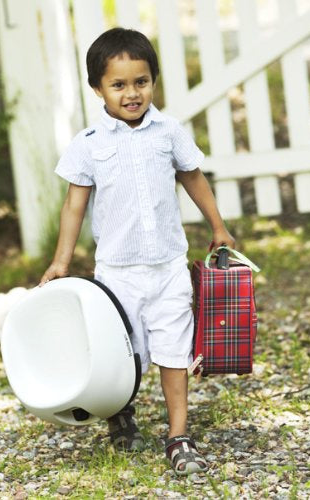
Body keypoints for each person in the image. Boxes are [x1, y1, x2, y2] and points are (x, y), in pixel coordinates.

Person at [39, 27, 235, 475]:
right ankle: (120, 413)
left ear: (153, 81)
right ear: (97, 89)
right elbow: (74, 205)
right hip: (116, 273)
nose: (132, 93)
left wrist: (219, 226)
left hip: (167, 266)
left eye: (141, 82)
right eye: (119, 84)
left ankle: (178, 436)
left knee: (172, 350)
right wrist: (61, 262)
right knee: (121, 353)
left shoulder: (168, 131)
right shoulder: (88, 143)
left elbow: (193, 177)